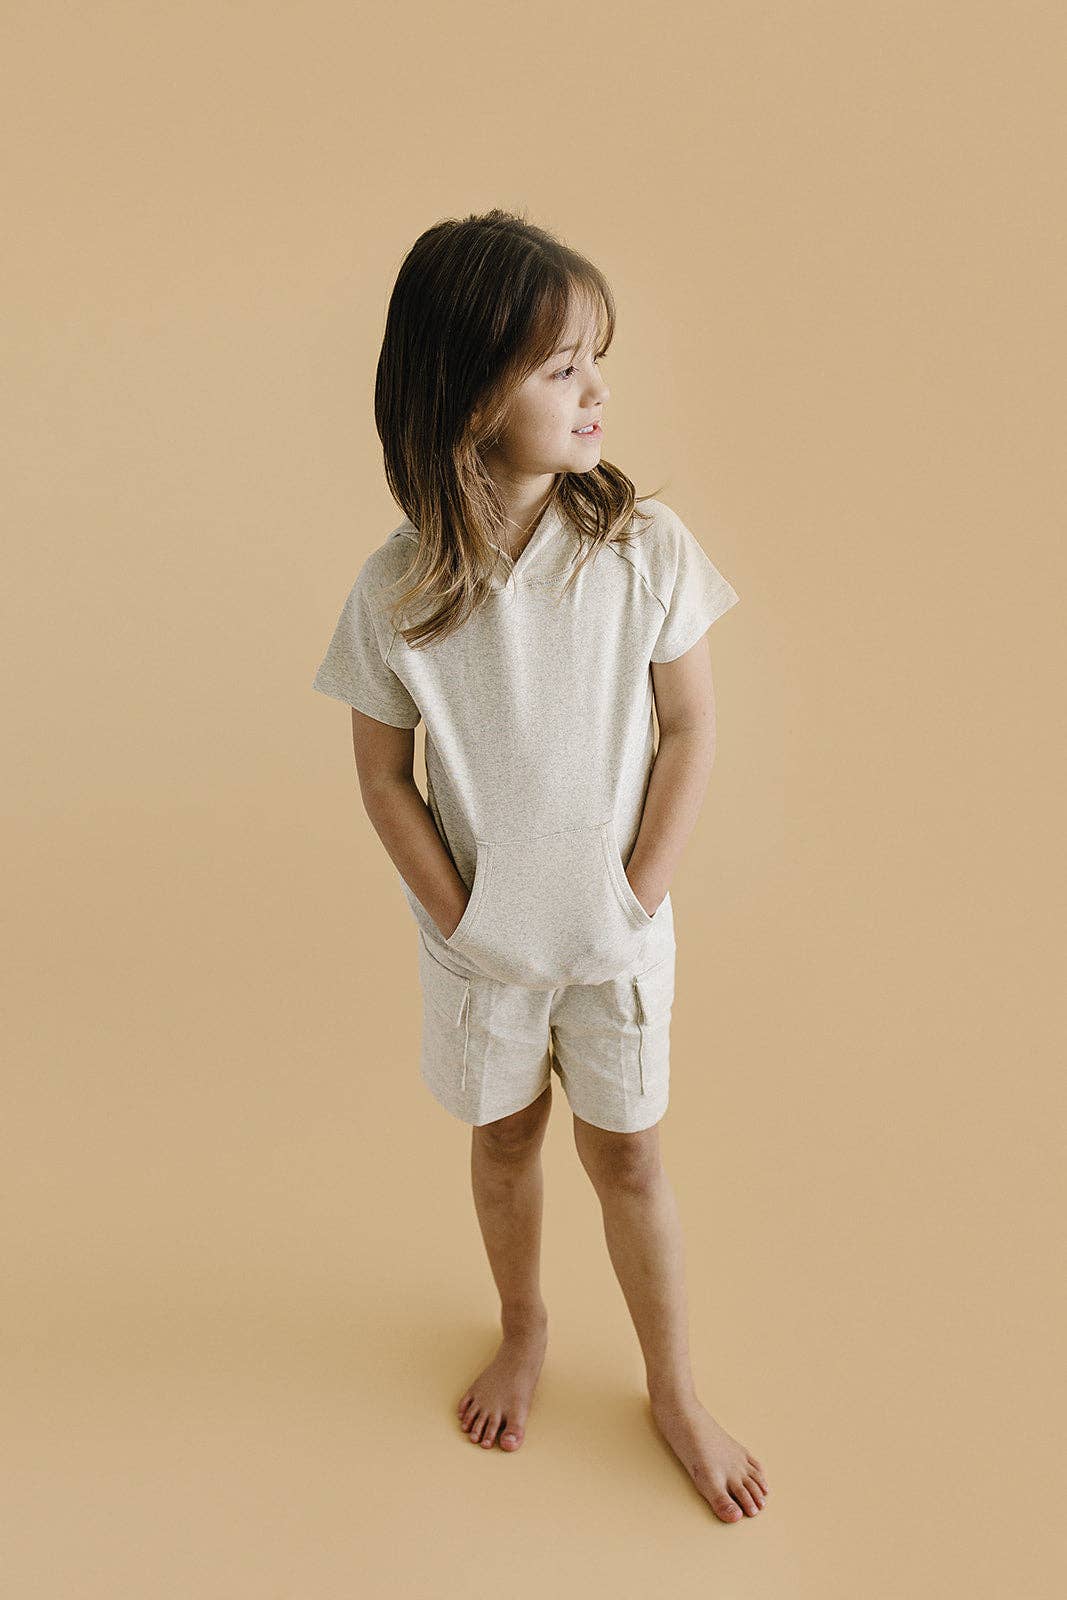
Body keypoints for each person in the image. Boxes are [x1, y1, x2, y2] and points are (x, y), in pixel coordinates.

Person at [312, 208, 768, 1522]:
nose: (597, 389)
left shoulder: (642, 551)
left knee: (630, 1163)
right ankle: (525, 1326)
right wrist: (462, 921)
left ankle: (674, 1387)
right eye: (563, 367)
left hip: (616, 943)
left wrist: (637, 895)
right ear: (469, 397)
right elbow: (383, 777)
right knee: (505, 1141)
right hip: (483, 957)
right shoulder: (398, 589)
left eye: (595, 360)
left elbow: (691, 727)